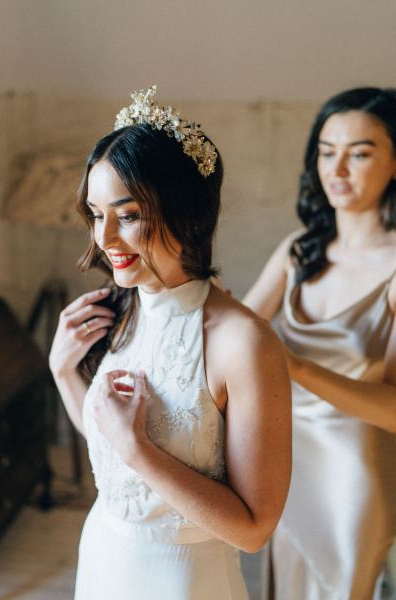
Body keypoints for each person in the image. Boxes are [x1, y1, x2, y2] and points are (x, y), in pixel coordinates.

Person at [49, 85, 291, 600]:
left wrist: (137, 448)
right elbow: (110, 456)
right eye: (96, 214)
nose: (105, 239)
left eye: (129, 215)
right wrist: (62, 371)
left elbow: (253, 530)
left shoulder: (243, 343)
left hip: (183, 579)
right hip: (103, 559)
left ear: (187, 213)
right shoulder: (119, 308)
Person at [244, 87, 396, 599]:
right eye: (327, 152)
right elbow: (231, 334)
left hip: (356, 480)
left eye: (360, 153)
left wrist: (298, 369)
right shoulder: (297, 251)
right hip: (281, 469)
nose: (339, 168)